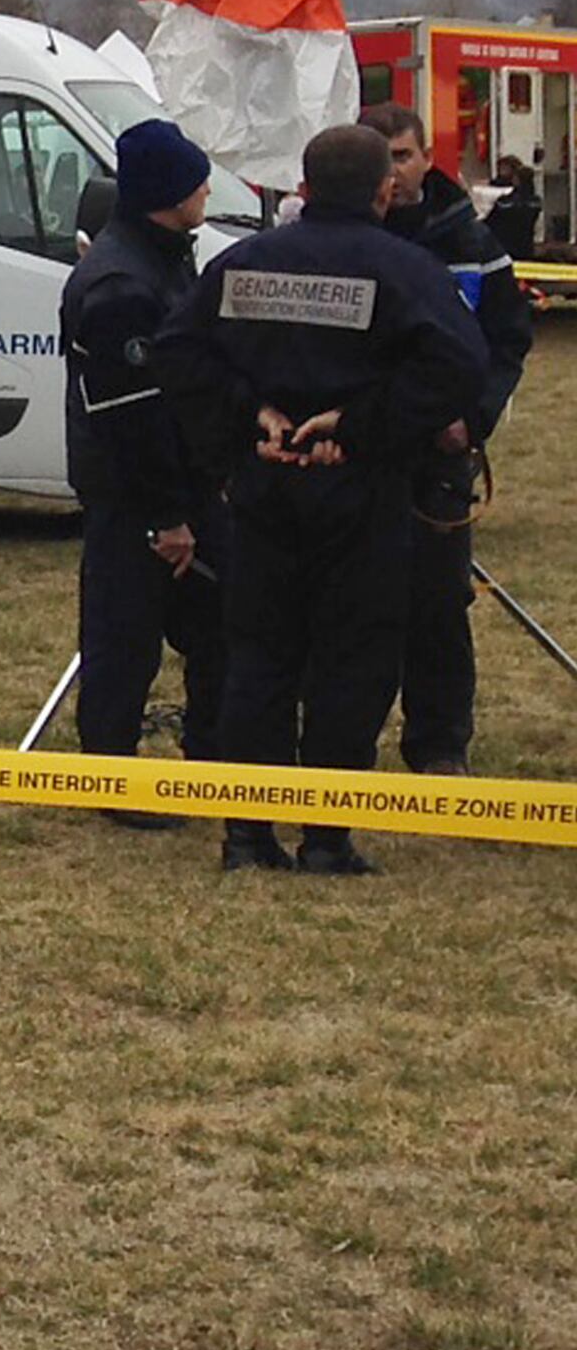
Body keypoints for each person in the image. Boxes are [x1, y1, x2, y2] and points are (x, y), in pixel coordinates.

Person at [153, 124, 485, 875]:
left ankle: (247, 833)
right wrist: (363, 427)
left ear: (302, 187)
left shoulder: (245, 262)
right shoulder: (405, 270)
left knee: (260, 655)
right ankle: (327, 836)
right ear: (384, 191)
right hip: (362, 494)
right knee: (355, 655)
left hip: (266, 489)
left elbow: (179, 347)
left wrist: (248, 421)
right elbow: (460, 364)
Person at [60, 118, 228, 822]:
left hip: (179, 488)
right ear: (168, 192)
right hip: (139, 498)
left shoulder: (161, 258)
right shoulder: (123, 283)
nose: (208, 190)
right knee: (124, 640)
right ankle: (112, 781)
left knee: (215, 627)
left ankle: (213, 761)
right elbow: (131, 416)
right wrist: (168, 516)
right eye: (196, 180)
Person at [365, 105, 533, 773]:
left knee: (437, 604)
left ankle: (438, 744)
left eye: (402, 156)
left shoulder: (470, 242)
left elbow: (508, 340)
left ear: (425, 157)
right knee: (353, 604)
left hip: (438, 453)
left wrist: (475, 416)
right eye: (379, 158)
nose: (392, 172)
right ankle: (337, 742)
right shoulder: (337, 236)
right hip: (357, 450)